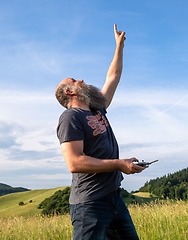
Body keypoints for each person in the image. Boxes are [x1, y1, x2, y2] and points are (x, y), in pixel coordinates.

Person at [55, 24, 145, 240]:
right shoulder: (70, 117)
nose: (82, 80)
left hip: (113, 198)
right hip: (90, 204)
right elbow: (74, 163)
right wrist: (119, 163)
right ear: (70, 91)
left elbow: (112, 77)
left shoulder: (97, 109)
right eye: (75, 81)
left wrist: (119, 47)